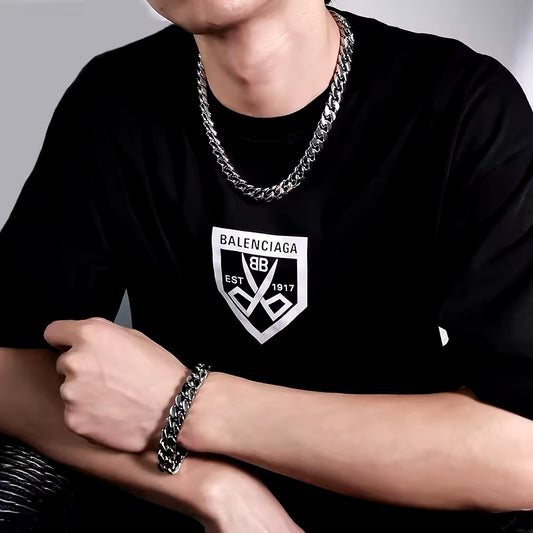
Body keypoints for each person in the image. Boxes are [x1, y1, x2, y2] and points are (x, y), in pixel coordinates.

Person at [0, 0, 532, 531]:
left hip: (405, 502)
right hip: (169, 496)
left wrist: (185, 405)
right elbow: (9, 367)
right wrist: (216, 490)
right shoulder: (112, 99)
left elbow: (521, 454)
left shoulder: (461, 102)